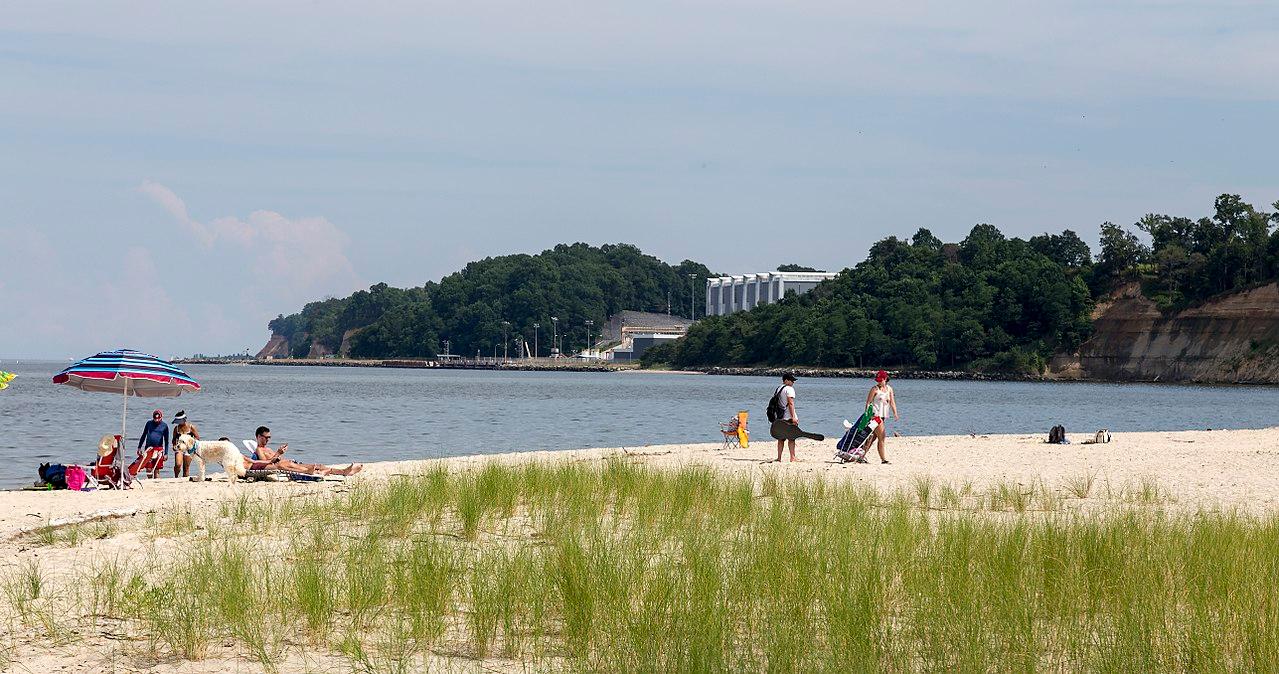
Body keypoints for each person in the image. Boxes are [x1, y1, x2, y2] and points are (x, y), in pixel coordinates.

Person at [247, 426, 363, 476]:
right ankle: (311, 472)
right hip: (283, 466)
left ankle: (344, 471)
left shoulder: (269, 449)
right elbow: (264, 462)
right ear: (258, 436)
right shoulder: (258, 450)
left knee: (318, 465)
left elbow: (277, 460)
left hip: (287, 463)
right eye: (265, 437)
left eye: (269, 438)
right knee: (309, 467)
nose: (267, 440)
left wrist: (280, 454)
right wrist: (278, 454)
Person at [865, 370, 900, 464]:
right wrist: (868, 415)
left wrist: (895, 413)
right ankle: (883, 459)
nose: (879, 382)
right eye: (878, 380)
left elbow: (892, 402)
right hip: (875, 416)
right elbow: (868, 403)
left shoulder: (889, 389)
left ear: (885, 379)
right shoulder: (874, 389)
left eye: (880, 380)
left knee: (873, 438)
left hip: (883, 416)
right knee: (882, 437)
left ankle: (861, 455)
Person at [136, 409, 169, 479]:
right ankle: (150, 480)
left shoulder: (164, 426)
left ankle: (156, 481)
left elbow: (166, 441)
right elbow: (143, 435)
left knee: (156, 469)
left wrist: (166, 453)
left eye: (158, 418)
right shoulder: (149, 423)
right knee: (148, 468)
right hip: (149, 448)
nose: (156, 420)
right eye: (155, 418)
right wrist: (139, 447)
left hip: (159, 449)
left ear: (161, 417)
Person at [774, 373, 799, 462]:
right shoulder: (790, 389)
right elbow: (791, 403)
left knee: (781, 438)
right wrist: (794, 417)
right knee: (791, 438)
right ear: (786, 380)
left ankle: (779, 458)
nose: (793, 382)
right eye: (791, 380)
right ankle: (792, 457)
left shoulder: (779, 389)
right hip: (788, 417)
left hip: (780, 417)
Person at [170, 410, 199, 479]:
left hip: (189, 449)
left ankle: (184, 479)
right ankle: (176, 477)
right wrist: (174, 445)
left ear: (184, 420)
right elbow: (174, 439)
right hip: (179, 448)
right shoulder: (176, 428)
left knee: (186, 468)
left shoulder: (191, 427)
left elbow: (197, 438)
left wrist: (193, 446)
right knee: (178, 464)